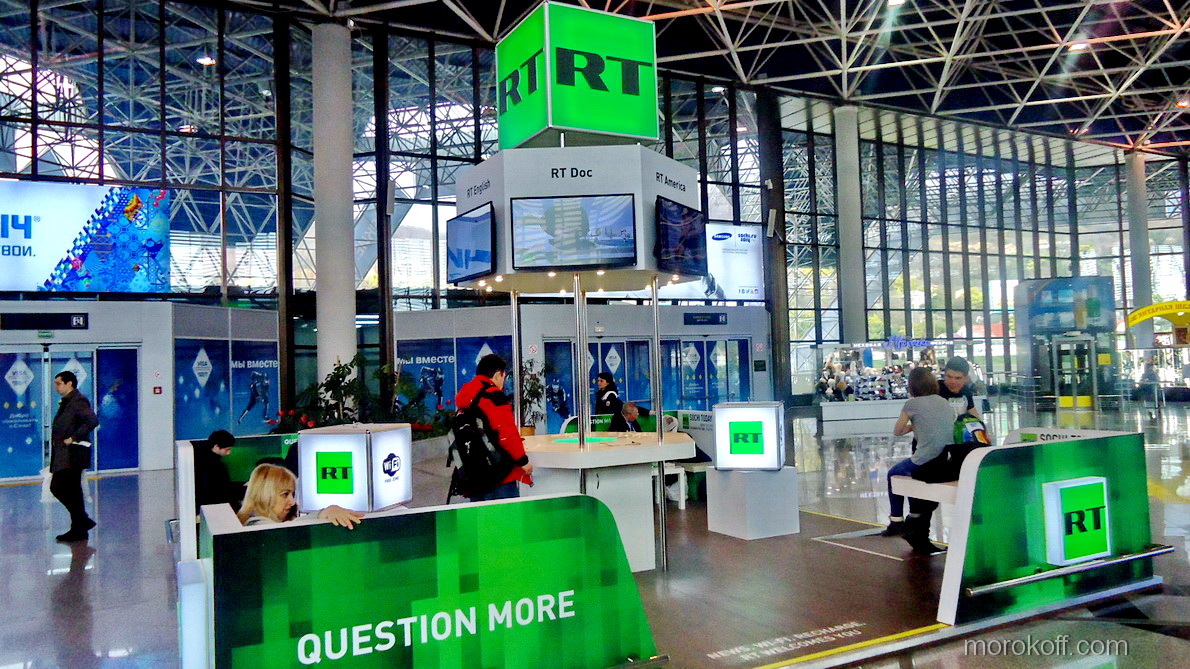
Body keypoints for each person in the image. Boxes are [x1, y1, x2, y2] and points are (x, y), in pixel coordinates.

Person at [880, 367, 952, 554]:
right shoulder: (944, 402)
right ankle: (915, 526)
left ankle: (896, 520)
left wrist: (913, 426)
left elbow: (898, 431)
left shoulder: (911, 404)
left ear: (912, 386)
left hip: (924, 458)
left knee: (893, 474)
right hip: (945, 458)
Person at [454, 354, 533, 501]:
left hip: (474, 475)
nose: (503, 382)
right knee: (507, 514)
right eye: (504, 377)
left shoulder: (466, 398)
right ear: (498, 374)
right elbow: (507, 435)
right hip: (499, 474)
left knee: (480, 514)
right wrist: (523, 461)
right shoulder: (494, 396)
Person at [50, 371, 100, 543]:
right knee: (72, 490)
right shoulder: (67, 402)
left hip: (73, 454)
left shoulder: (78, 401)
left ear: (69, 383)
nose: (56, 387)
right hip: (64, 453)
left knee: (59, 487)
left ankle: (81, 521)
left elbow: (92, 421)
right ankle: (79, 525)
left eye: (58, 383)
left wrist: (73, 437)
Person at [236, 464, 363, 528]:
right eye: (285, 494)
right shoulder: (257, 526)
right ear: (265, 494)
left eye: (292, 494)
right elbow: (286, 531)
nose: (292, 502)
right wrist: (324, 513)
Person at [193, 429, 242, 512]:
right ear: (216, 447)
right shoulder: (215, 465)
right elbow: (223, 488)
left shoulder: (197, 456)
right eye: (227, 449)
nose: (228, 453)